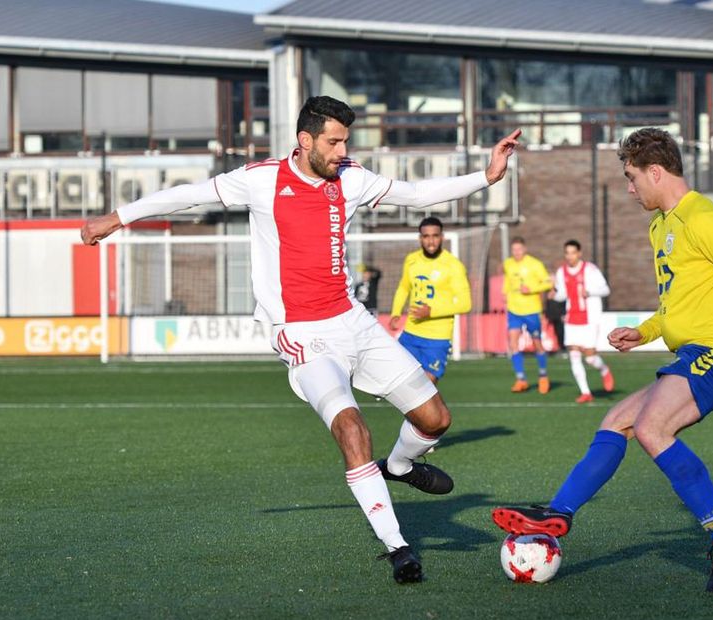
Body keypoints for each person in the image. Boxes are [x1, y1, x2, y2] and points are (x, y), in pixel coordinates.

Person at [80, 96, 521, 584]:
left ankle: (398, 466)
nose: (341, 151)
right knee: (352, 430)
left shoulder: (351, 177)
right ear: (305, 140)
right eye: (333, 142)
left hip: (354, 321)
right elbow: (187, 195)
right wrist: (117, 218)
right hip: (303, 336)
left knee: (436, 420)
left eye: (345, 142)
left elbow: (416, 194)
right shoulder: (262, 179)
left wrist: (487, 175)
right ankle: (397, 546)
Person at [491, 127, 713, 593]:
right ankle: (559, 511)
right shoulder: (661, 226)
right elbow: (677, 306)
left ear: (656, 172)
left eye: (632, 178)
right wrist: (644, 331)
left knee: (653, 429)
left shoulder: (703, 217)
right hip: (697, 353)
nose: (630, 188)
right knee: (616, 420)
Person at [389, 216, 471, 383]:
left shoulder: (453, 265)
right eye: (426, 236)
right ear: (420, 238)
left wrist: (431, 312)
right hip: (411, 333)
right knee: (402, 385)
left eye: (435, 236)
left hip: (437, 338)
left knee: (426, 386)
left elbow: (465, 303)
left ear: (442, 237)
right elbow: (404, 287)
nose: (431, 241)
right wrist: (395, 312)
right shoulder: (411, 260)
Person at [552, 240, 614, 404]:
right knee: (573, 353)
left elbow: (605, 289)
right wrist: (554, 294)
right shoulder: (561, 272)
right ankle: (586, 392)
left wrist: (590, 292)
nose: (570, 256)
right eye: (567, 253)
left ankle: (604, 369)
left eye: (573, 253)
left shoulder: (590, 269)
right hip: (571, 318)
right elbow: (562, 295)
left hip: (589, 318)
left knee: (590, 358)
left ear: (579, 253)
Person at [503, 237, 554, 393]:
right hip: (513, 310)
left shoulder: (535, 264)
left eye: (519, 249)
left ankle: (543, 377)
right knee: (513, 343)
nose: (516, 252)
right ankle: (521, 379)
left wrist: (531, 288)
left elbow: (548, 283)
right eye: (514, 250)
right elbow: (507, 281)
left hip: (531, 310)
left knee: (537, 344)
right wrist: (504, 293)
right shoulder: (508, 264)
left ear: (524, 249)